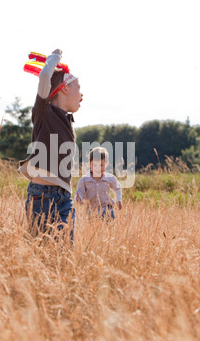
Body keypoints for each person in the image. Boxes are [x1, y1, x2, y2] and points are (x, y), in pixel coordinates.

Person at [19, 49, 83, 240]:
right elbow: (45, 76)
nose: (82, 93)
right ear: (64, 88)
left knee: (63, 252)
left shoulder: (67, 120)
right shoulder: (44, 112)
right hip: (43, 197)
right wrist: (54, 59)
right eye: (78, 87)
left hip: (64, 197)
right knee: (42, 248)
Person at [75, 147, 122, 220]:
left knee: (107, 220)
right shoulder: (84, 180)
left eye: (101, 165)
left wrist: (118, 200)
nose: (98, 168)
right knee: (94, 229)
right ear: (89, 165)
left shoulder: (109, 178)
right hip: (91, 211)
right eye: (94, 165)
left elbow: (117, 188)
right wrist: (79, 198)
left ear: (106, 164)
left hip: (107, 208)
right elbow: (80, 191)